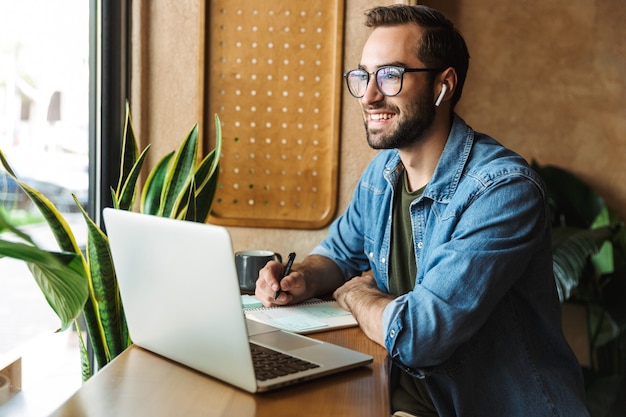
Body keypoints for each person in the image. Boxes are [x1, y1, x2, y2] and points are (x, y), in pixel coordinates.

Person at [255, 4, 589, 416]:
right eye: (363, 76)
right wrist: (300, 278)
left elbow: (419, 336)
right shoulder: (384, 173)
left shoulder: (503, 191)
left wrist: (359, 295)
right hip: (389, 394)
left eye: (391, 76)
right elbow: (339, 255)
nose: (370, 95)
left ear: (442, 85)